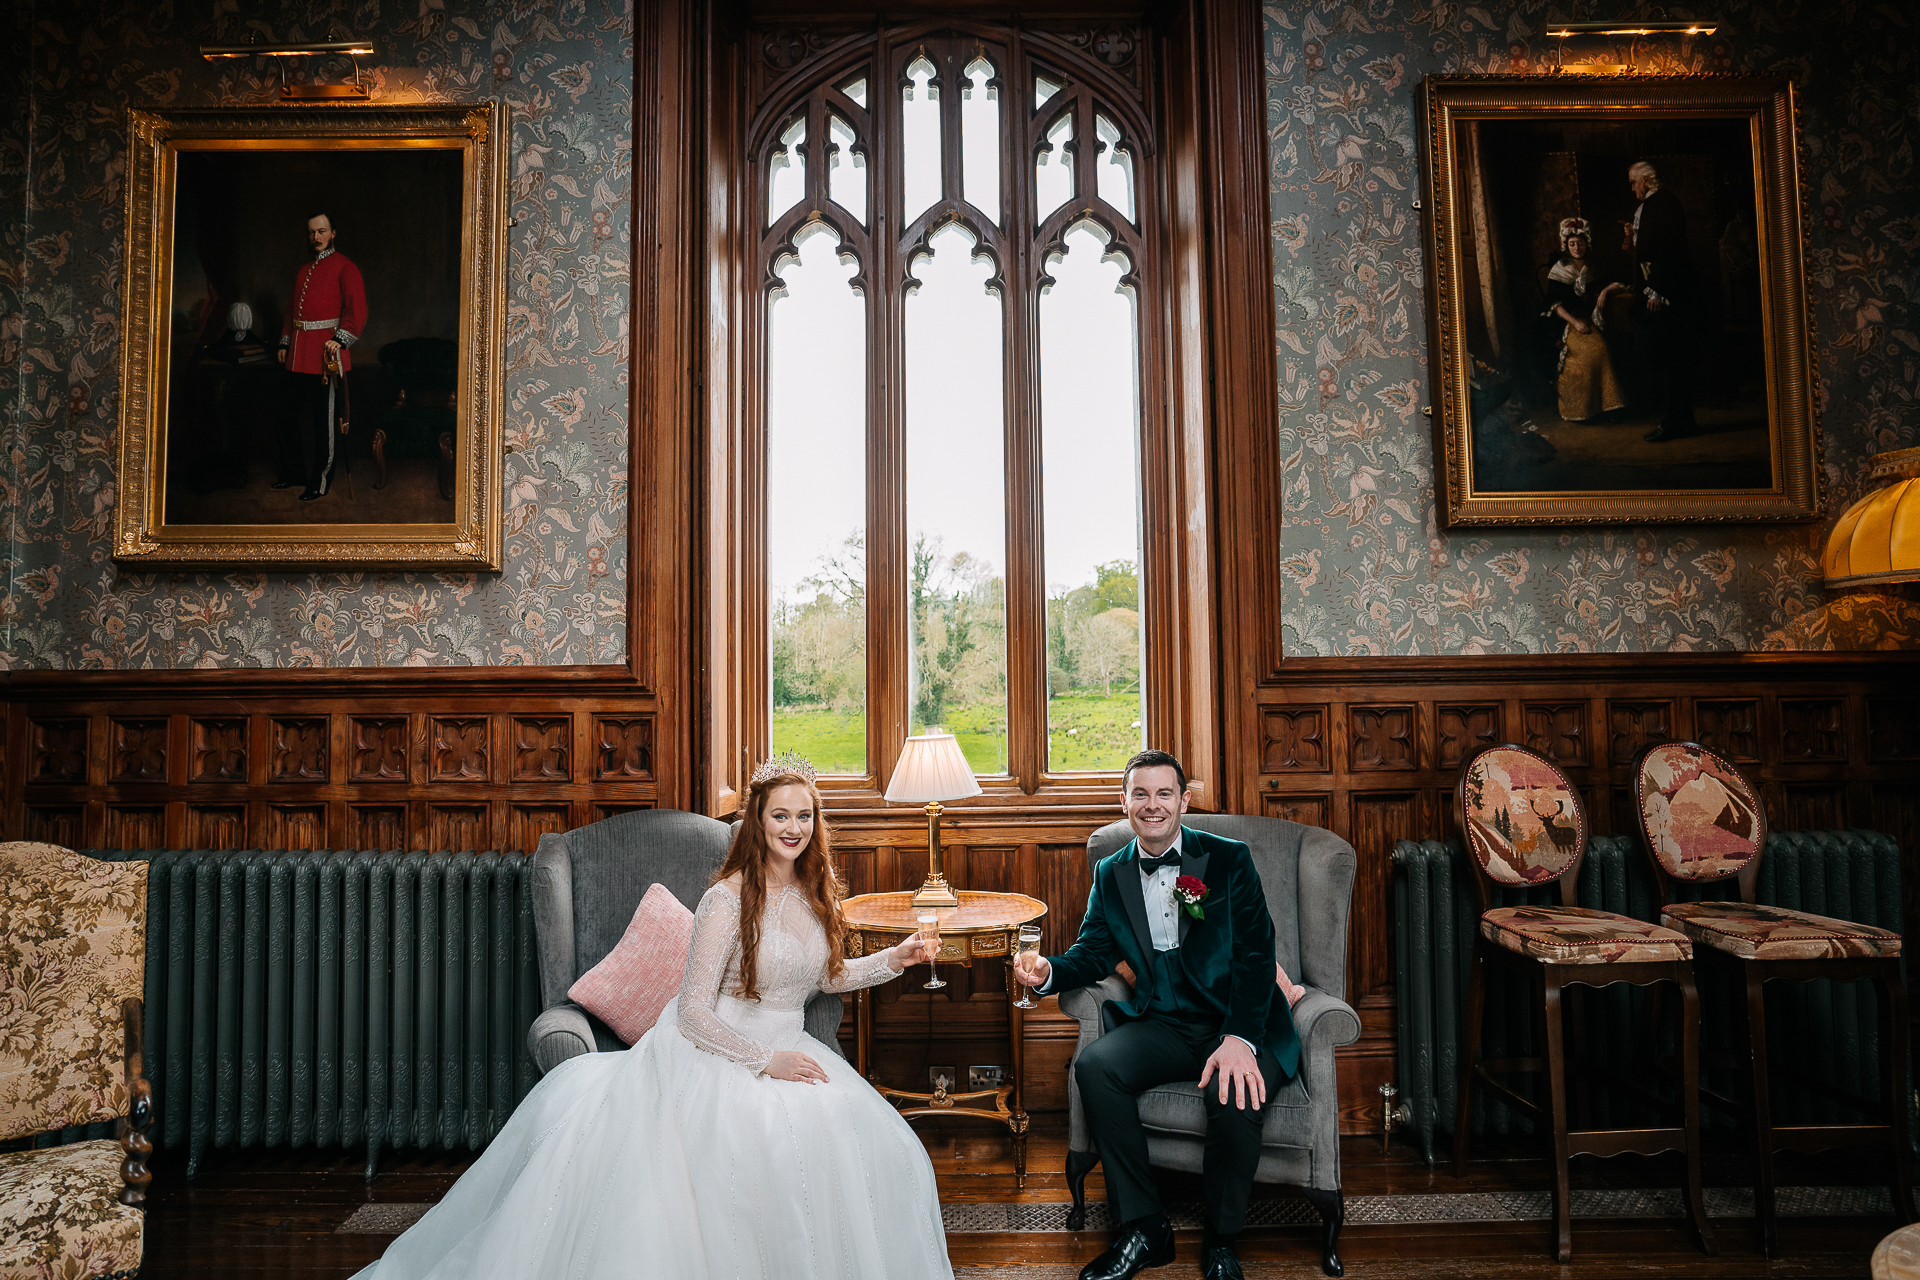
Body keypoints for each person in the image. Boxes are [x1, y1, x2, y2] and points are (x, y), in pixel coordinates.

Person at [350, 757, 954, 1280]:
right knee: (759, 1147)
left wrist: (897, 958)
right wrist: (764, 1062)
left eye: (804, 816)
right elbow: (692, 1012)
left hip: (792, 1043)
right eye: (780, 816)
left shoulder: (816, 897)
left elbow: (824, 977)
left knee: (877, 1145)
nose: (793, 828)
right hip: (719, 1050)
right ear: (756, 822)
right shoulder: (726, 898)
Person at [1014, 749, 1298, 1280]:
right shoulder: (1111, 872)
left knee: (1231, 1091)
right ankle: (1144, 1228)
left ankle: (1221, 1240)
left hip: (1236, 1021)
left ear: (1183, 801)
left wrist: (1239, 1038)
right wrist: (1046, 973)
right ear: (1124, 803)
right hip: (1165, 1022)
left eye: (1163, 794)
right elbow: (1092, 953)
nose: (1152, 806)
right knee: (1097, 1067)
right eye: (1139, 795)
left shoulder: (1229, 859)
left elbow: (1258, 956)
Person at [277, 212, 365, 500]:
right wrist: (285, 342)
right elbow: (292, 311)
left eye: (322, 231)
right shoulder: (303, 270)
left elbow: (357, 311)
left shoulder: (346, 267)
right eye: (312, 232)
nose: (316, 237)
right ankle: (293, 473)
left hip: (326, 357)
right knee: (286, 415)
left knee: (323, 423)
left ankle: (321, 481)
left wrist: (340, 339)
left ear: (333, 233)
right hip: (298, 355)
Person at [1618, 161, 1697, 442]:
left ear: (1647, 180)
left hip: (1664, 294)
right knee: (1660, 360)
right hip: (1652, 292)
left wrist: (1657, 290)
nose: (1632, 187)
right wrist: (1633, 238)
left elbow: (1671, 249)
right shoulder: (1648, 207)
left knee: (1669, 361)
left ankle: (1676, 422)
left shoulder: (1664, 204)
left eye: (1633, 181)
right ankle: (1678, 420)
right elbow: (1645, 254)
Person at [1541, 217, 1628, 423]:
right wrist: (1575, 323)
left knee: (1601, 350)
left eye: (1580, 243)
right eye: (1572, 244)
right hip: (1565, 323)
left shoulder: (1595, 267)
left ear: (1587, 243)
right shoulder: (1559, 269)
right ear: (1566, 246)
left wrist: (1605, 291)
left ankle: (1604, 408)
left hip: (1591, 320)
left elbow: (1620, 283)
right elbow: (1555, 305)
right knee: (1582, 357)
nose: (1576, 247)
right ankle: (1576, 409)